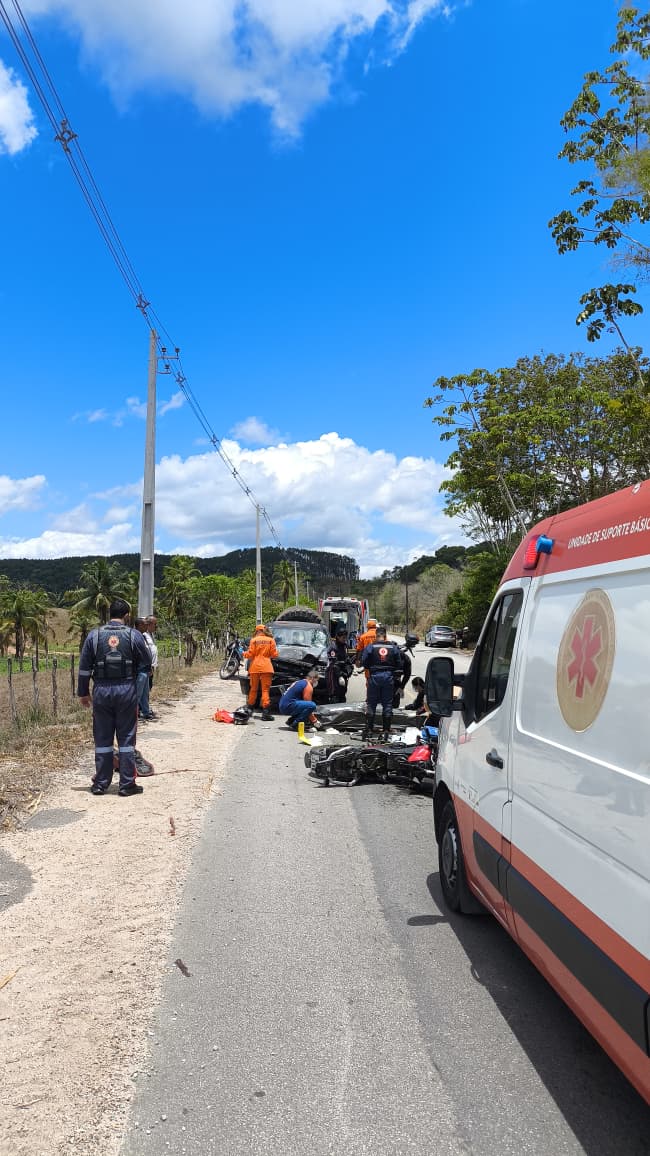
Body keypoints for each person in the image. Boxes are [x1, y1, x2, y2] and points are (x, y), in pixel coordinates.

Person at [77, 598, 152, 797]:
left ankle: (100, 784)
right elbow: (146, 661)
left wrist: (83, 692)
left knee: (103, 738)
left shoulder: (94, 635)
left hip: (101, 690)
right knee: (126, 738)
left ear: (110, 614)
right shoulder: (134, 635)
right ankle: (127, 784)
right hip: (126, 689)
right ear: (127, 615)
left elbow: (84, 668)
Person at [360, 625, 404, 741]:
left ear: (376, 635)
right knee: (387, 704)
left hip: (374, 677)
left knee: (371, 704)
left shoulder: (371, 646)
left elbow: (364, 662)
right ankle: (386, 731)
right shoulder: (393, 647)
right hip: (388, 677)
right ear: (385, 636)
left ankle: (369, 730)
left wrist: (372, 667)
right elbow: (399, 664)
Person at [244, 623, 279, 721]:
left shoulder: (253, 640)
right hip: (267, 667)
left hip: (254, 668)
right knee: (265, 690)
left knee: (253, 689)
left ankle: (249, 709)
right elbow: (274, 655)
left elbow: (250, 655)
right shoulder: (271, 640)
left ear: (257, 631)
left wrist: (244, 654)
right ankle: (265, 713)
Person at [134, 616, 157, 721]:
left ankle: (146, 712)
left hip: (146, 669)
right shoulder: (135, 636)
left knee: (145, 693)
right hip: (140, 670)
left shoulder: (143, 636)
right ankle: (134, 714)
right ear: (139, 625)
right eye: (145, 624)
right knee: (137, 694)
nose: (147, 626)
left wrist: (150, 666)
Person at [326, 626, 351, 703]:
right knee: (335, 696)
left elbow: (347, 660)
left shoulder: (344, 646)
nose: (344, 639)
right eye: (343, 637)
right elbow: (333, 663)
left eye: (345, 637)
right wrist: (340, 675)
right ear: (338, 637)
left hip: (343, 674)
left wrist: (349, 670)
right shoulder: (333, 648)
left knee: (342, 695)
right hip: (334, 675)